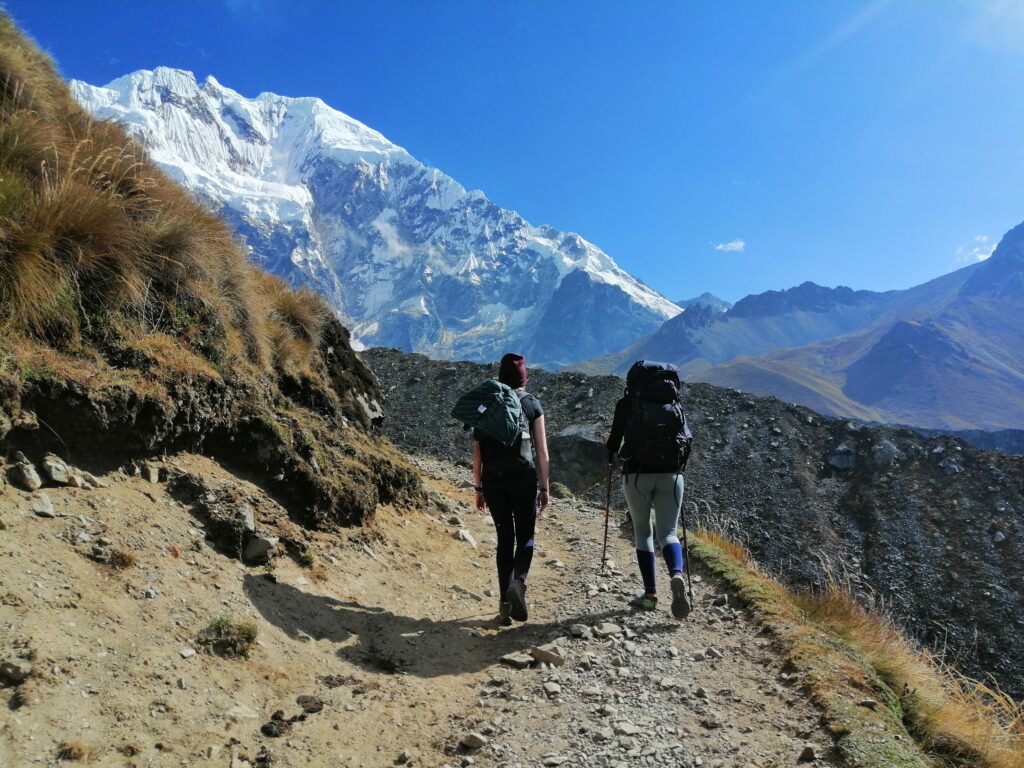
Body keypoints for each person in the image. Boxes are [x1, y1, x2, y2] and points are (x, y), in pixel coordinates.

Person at [605, 368, 691, 619]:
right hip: (672, 475)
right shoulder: (674, 403)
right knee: (669, 533)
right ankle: (676, 574)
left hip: (637, 474)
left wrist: (610, 454)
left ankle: (650, 594)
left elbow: (614, 443)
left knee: (643, 532)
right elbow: (686, 438)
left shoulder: (627, 404)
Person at [473, 353, 550, 625]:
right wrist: (545, 488)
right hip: (523, 477)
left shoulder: (487, 404)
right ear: (523, 379)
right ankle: (519, 581)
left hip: (493, 479)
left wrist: (478, 488)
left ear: (500, 377)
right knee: (526, 535)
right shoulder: (531, 404)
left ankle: (504, 606)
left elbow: (477, 452)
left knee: (505, 539)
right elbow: (542, 450)